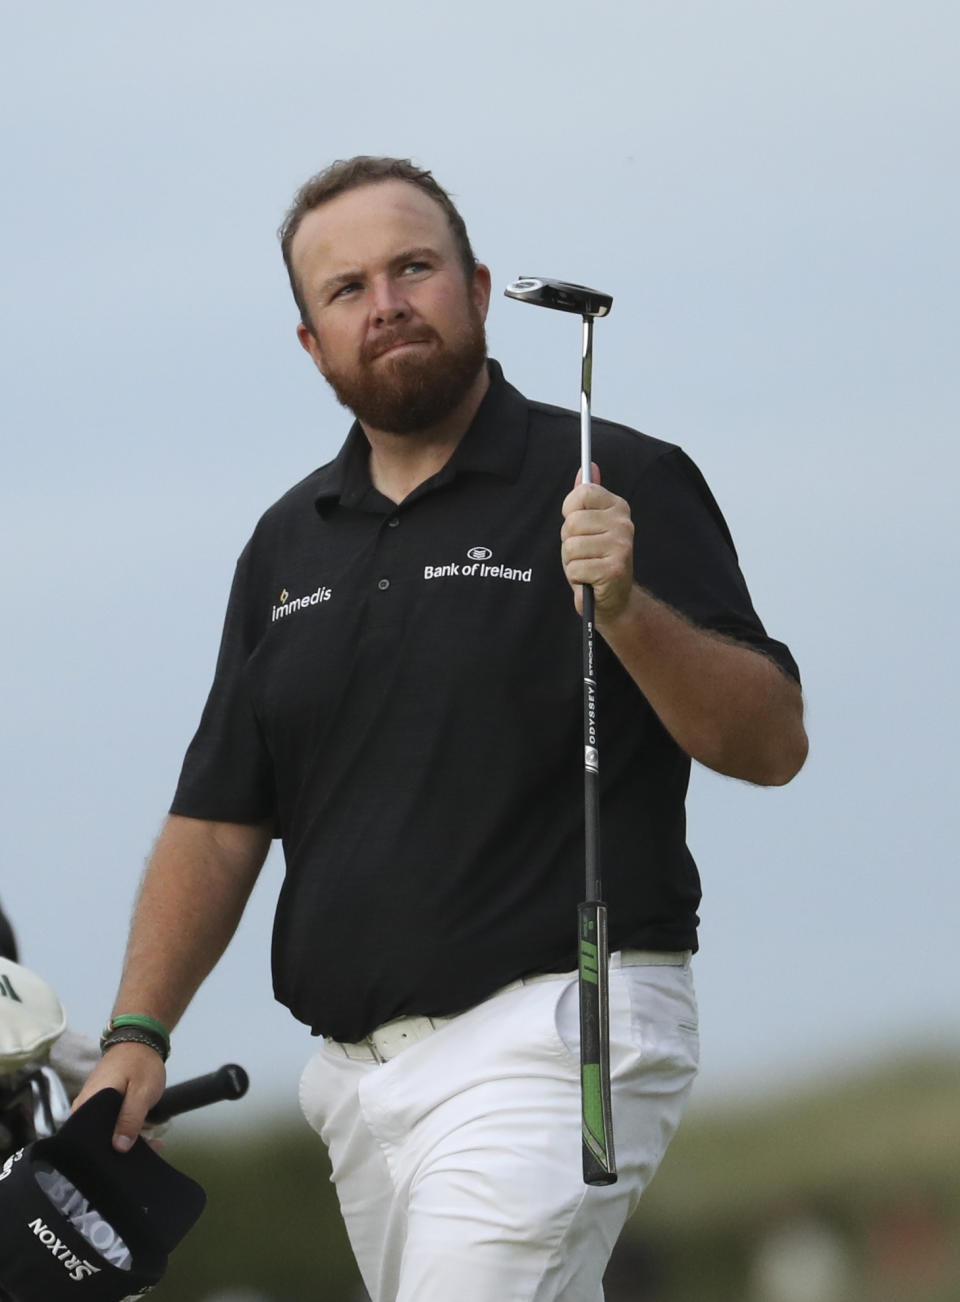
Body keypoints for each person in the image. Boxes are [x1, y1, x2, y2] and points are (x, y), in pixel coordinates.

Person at [76, 156, 807, 1301]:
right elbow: (218, 823)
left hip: (558, 1030)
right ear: (312, 343)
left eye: (414, 268)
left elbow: (770, 743)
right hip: (357, 1086)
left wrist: (624, 610)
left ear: (472, 285)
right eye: (347, 288)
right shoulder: (288, 544)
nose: (387, 303)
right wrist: (137, 1032)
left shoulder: (618, 480)